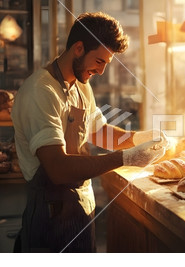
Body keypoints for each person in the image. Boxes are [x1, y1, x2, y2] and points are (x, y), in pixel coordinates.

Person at [11, 12, 167, 252]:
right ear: (79, 48)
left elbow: (100, 132)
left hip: (81, 212)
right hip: (50, 218)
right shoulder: (40, 91)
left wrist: (140, 138)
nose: (102, 71)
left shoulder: (81, 87)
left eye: (106, 63)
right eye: (99, 61)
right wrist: (126, 158)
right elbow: (58, 169)